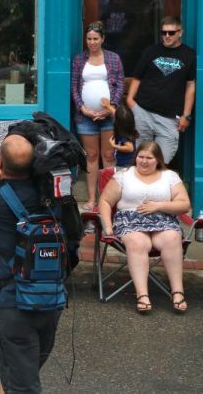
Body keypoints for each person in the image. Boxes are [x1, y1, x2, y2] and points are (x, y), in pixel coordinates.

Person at [0, 134, 61, 393]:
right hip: (52, 299)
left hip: (13, 301)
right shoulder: (52, 197)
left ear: (0, 164)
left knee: (21, 384)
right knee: (21, 375)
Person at [98, 141, 191, 313]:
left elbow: (184, 204)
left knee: (172, 238)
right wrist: (108, 226)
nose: (144, 161)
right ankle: (142, 295)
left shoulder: (169, 176)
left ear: (158, 160)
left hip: (163, 220)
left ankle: (178, 292)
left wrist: (158, 206)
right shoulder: (124, 175)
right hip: (130, 221)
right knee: (138, 243)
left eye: (149, 158)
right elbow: (104, 201)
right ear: (136, 157)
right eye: (141, 157)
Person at [126, 16, 196, 164]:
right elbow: (137, 77)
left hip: (170, 118)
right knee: (142, 159)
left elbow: (190, 85)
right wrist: (130, 101)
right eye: (164, 33)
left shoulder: (189, 54)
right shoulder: (151, 51)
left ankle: (157, 188)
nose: (167, 36)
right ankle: (142, 188)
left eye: (171, 33)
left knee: (162, 161)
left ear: (180, 32)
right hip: (143, 111)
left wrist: (187, 115)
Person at [70, 21, 124, 211]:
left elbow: (119, 85)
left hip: (108, 116)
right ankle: (92, 198)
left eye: (95, 39)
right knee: (91, 156)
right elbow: (74, 87)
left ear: (102, 39)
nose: (92, 42)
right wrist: (82, 107)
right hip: (86, 116)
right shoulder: (79, 59)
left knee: (108, 156)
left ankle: (108, 199)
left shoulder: (113, 58)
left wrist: (112, 106)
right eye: (89, 39)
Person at [106, 101, 138, 170]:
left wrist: (114, 146)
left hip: (124, 165)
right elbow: (116, 114)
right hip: (127, 163)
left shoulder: (122, 134)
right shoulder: (128, 125)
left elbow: (130, 148)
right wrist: (107, 106)